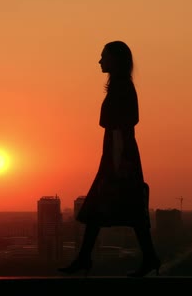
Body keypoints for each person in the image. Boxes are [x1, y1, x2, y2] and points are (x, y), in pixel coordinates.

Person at [58, 41, 160, 277]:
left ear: (115, 60)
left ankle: (88, 259)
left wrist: (117, 161)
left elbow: (119, 128)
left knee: (116, 208)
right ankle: (146, 258)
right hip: (119, 155)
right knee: (110, 208)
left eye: (103, 56)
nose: (100, 61)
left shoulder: (122, 88)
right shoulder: (122, 86)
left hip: (119, 156)